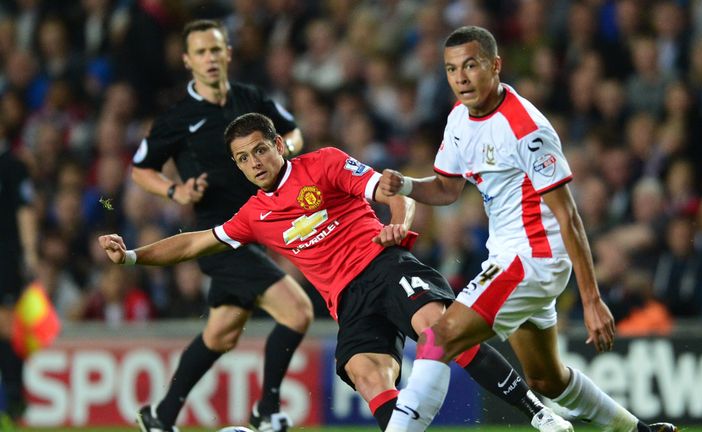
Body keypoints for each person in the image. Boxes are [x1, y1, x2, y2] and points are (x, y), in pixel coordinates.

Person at [104, 112, 573, 432]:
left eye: (260, 151)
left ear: (278, 145)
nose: (254, 164)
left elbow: (393, 192)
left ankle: (540, 416)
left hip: (384, 265)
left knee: (438, 330)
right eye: (244, 159)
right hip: (346, 303)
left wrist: (398, 224)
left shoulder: (323, 163)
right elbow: (193, 242)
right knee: (366, 373)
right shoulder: (252, 215)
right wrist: (131, 256)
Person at [379, 26, 678, 432]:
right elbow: (449, 188)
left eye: (471, 65)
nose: (461, 78)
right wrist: (409, 186)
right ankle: (639, 431)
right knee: (545, 379)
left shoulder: (527, 129)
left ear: (495, 65)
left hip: (533, 258)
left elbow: (568, 215)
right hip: (510, 256)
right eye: (451, 70)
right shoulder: (458, 119)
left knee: (438, 337)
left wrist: (591, 300)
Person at [130, 20, 313, 432]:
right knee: (297, 311)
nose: (210, 59)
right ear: (187, 61)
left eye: (215, 50)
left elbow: (294, 133)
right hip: (218, 237)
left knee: (220, 334)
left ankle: (160, 417)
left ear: (228, 53)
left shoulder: (250, 98)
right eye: (200, 52)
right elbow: (141, 169)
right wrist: (175, 192)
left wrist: (281, 152)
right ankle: (267, 411)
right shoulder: (178, 117)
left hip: (258, 228)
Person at [0, 126, 38, 428]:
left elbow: (26, 211)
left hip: (5, 257)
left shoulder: (12, 165)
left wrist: (29, 253)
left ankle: (14, 397)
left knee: (7, 326)